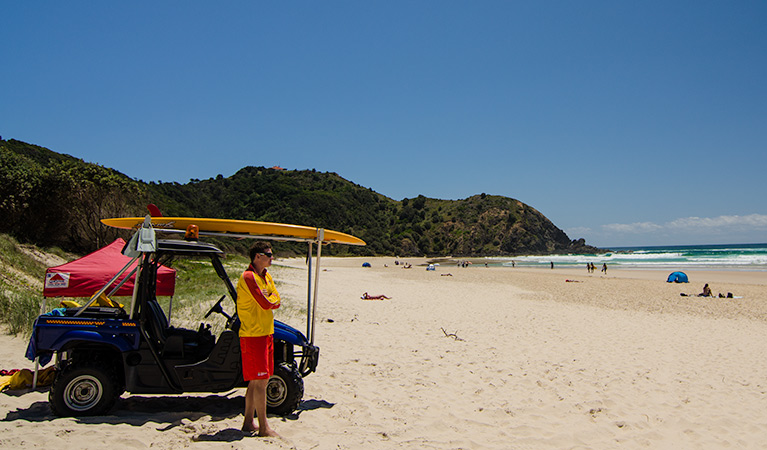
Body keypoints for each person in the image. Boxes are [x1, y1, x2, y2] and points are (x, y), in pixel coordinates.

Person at [237, 241, 281, 437]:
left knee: (257, 381)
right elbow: (265, 302)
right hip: (253, 333)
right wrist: (270, 299)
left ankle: (248, 422)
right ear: (257, 257)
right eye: (268, 255)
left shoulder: (266, 275)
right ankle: (264, 427)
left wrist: (271, 299)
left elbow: (276, 298)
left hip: (265, 332)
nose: (272, 258)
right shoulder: (249, 276)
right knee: (261, 381)